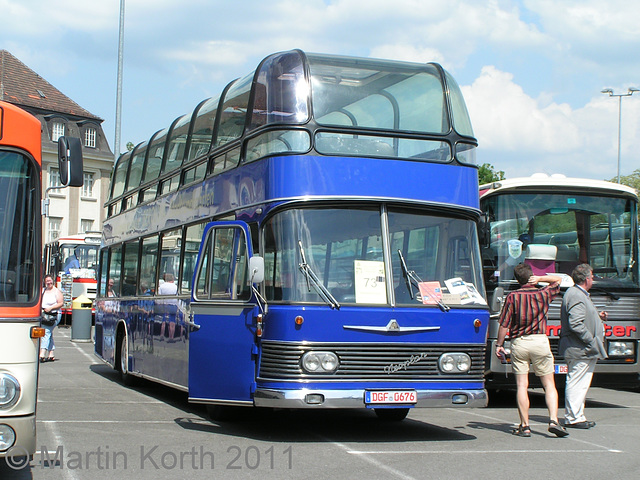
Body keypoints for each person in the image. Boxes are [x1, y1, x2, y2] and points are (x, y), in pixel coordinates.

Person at [495, 263, 568, 437]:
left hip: (519, 342)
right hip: (540, 341)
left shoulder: (512, 297)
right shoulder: (543, 293)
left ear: (516, 279)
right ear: (531, 276)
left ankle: (525, 426)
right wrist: (542, 278)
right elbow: (559, 280)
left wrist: (499, 345)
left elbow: (504, 324)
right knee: (549, 384)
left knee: (522, 385)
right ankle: (553, 420)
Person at [559, 263, 607, 429]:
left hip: (582, 349)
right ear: (587, 278)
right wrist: (591, 340)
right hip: (580, 348)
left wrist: (597, 315)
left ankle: (577, 415)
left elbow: (581, 316)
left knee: (581, 383)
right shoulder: (576, 295)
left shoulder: (579, 294)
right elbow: (576, 324)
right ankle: (573, 417)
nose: (593, 279)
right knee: (577, 382)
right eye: (592, 277)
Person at [41, 274, 63, 362]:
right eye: (47, 281)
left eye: (50, 281)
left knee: (46, 332)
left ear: (53, 281)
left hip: (54, 315)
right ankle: (51, 353)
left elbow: (60, 303)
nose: (49, 283)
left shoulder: (57, 291)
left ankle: (42, 353)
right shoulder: (43, 291)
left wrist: (51, 308)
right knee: (48, 333)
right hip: (44, 314)